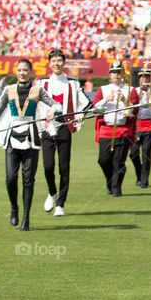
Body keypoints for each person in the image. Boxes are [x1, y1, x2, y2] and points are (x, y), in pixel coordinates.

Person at [0, 59, 61, 231]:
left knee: (28, 181)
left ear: (31, 71)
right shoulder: (9, 90)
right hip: (12, 138)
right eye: (19, 70)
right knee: (10, 179)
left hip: (31, 139)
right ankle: (14, 207)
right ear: (16, 71)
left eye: (25, 70)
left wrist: (52, 112)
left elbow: (56, 105)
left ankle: (26, 219)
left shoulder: (37, 90)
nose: (22, 73)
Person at [38, 48, 91, 217]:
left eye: (59, 60)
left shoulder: (73, 83)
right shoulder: (42, 83)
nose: (56, 64)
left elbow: (87, 103)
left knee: (64, 166)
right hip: (47, 129)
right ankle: (52, 192)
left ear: (64, 63)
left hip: (64, 128)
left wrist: (81, 113)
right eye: (53, 61)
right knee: (47, 166)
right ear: (49, 63)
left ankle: (61, 203)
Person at [92, 61, 139, 197]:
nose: (116, 75)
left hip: (123, 128)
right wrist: (106, 100)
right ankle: (110, 182)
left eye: (119, 72)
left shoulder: (130, 90)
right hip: (106, 129)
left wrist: (125, 100)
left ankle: (116, 187)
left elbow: (134, 110)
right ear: (110, 74)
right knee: (103, 160)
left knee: (119, 161)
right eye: (114, 72)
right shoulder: (103, 89)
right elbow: (95, 108)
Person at [129, 65, 151, 188]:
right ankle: (139, 173)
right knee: (133, 153)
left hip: (149, 125)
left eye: (147, 77)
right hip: (136, 126)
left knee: (146, 154)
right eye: (142, 77)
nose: (144, 80)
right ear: (139, 79)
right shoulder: (133, 91)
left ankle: (144, 180)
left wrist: (148, 90)